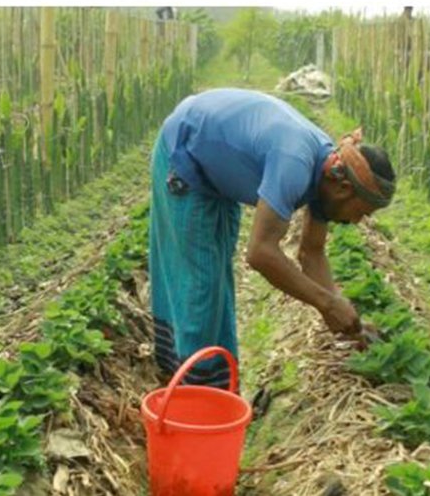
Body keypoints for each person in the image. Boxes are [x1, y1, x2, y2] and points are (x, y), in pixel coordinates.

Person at [149, 88, 396, 389]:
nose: (357, 221)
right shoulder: (295, 164)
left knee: (216, 284)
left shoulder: (328, 175)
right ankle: (190, 397)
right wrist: (327, 304)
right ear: (345, 188)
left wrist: (351, 324)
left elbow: (311, 252)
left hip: (216, 171)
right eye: (362, 212)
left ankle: (219, 390)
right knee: (199, 286)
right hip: (186, 153)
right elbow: (260, 253)